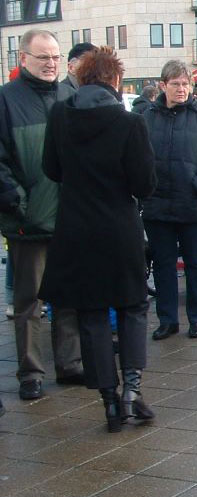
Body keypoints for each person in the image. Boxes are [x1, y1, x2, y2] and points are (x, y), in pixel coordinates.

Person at [41, 47, 157, 432]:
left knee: (91, 313)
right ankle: (131, 391)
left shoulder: (60, 115)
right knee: (133, 306)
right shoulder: (129, 123)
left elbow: (51, 168)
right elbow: (144, 184)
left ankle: (109, 399)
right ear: (115, 80)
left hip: (75, 227)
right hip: (119, 227)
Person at [0, 29, 83, 402]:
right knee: (28, 302)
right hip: (28, 220)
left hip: (69, 219)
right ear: (23, 59)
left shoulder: (70, 96)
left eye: (54, 56)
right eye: (42, 57)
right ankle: (31, 373)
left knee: (68, 296)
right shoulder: (6, 101)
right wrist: (18, 203)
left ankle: (70, 364)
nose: (51, 63)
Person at [142, 59, 197, 341]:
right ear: (163, 85)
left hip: (194, 203)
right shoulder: (148, 117)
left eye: (185, 84)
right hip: (158, 205)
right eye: (175, 84)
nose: (181, 89)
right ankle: (167, 319)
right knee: (163, 265)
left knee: (196, 263)